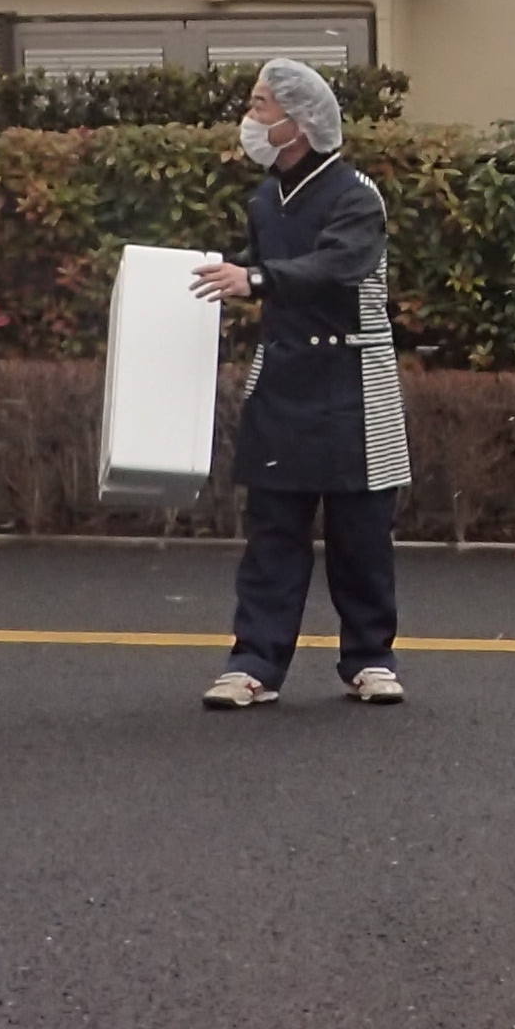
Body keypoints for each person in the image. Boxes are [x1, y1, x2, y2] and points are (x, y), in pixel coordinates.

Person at [193, 59, 412, 709]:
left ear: (301, 122)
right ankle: (254, 660)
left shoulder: (355, 194)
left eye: (262, 106)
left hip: (354, 378)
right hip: (285, 372)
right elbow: (269, 267)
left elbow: (340, 264)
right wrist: (238, 277)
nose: (252, 119)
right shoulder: (265, 197)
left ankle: (370, 657)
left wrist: (256, 279)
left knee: (362, 532)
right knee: (272, 530)